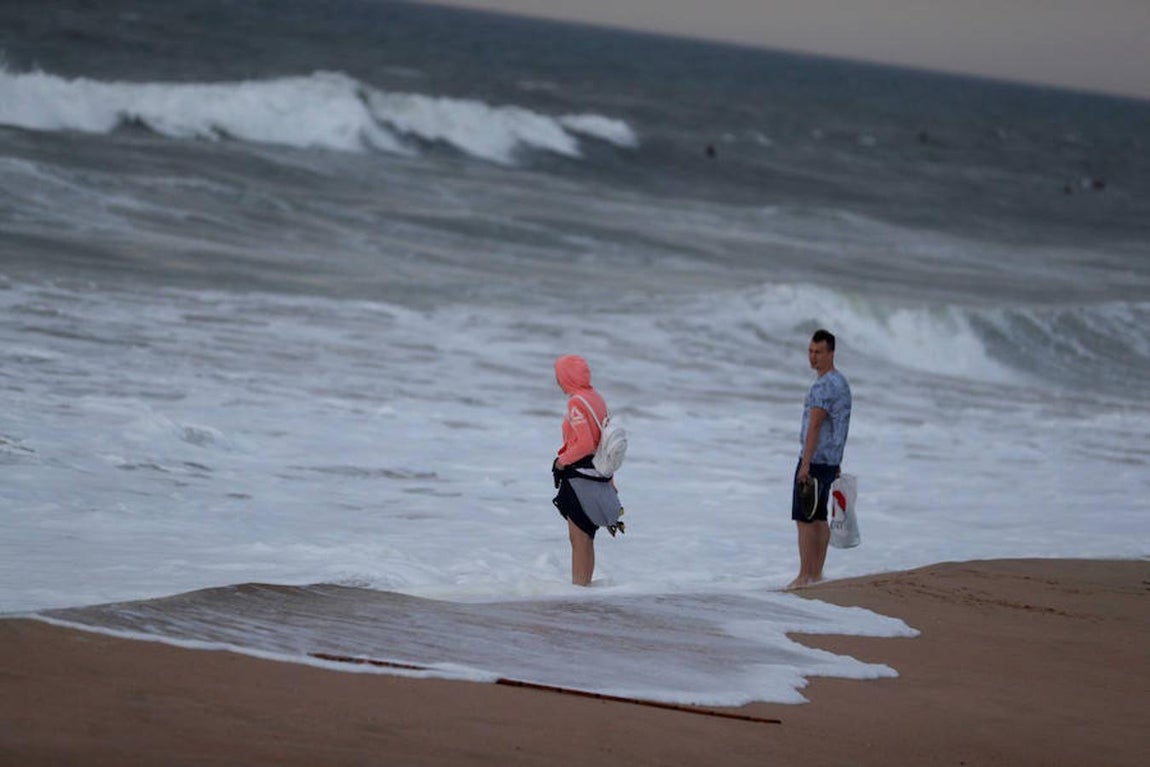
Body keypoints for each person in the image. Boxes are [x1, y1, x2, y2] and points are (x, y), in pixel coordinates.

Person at [787, 329, 851, 589]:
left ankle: (804, 575)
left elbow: (815, 426)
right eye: (811, 352)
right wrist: (837, 462)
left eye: (819, 352)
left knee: (804, 519)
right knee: (820, 517)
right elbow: (841, 425)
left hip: (814, 461)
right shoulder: (842, 382)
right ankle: (816, 574)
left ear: (831, 353)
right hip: (830, 461)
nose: (813, 357)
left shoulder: (823, 386)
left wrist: (805, 464)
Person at [551, 354, 622, 586]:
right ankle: (584, 590)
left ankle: (578, 591)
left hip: (580, 478)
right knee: (587, 537)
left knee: (578, 538)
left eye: (559, 376)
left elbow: (585, 445)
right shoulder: (596, 399)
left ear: (567, 376)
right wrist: (610, 480)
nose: (558, 382)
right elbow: (605, 444)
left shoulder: (576, 402)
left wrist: (561, 461)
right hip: (598, 477)